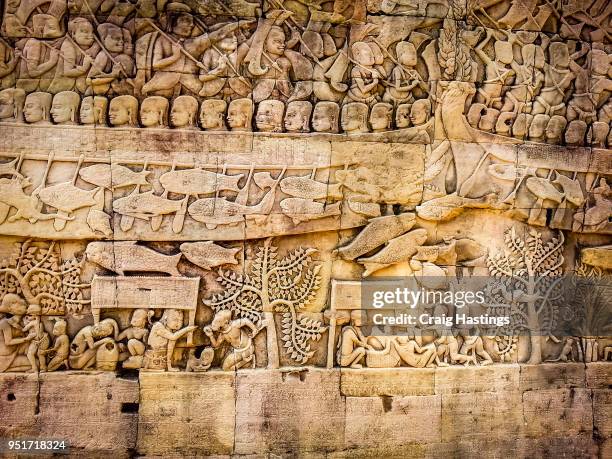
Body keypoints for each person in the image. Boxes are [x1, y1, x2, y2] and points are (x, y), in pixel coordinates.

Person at [0, 294, 33, 372]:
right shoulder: (4, 323)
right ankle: (5, 369)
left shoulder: (22, 322)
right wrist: (26, 339)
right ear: (10, 308)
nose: (22, 304)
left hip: (15, 353)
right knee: (36, 364)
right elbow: (8, 342)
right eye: (16, 303)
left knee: (37, 364)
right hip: (5, 357)